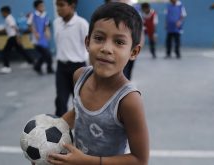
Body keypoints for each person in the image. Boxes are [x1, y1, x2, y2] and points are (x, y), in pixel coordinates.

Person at [47, 2, 149, 165]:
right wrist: (47, 135)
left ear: (134, 52)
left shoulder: (129, 101)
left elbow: (140, 159)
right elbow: (78, 112)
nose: (106, 48)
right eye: (99, 38)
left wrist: (85, 161)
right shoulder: (79, 76)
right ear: (87, 42)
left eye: (119, 42)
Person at [53, 0, 89, 117]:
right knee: (61, 100)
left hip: (78, 68)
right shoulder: (56, 23)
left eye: (61, 5)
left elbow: (90, 47)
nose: (58, 8)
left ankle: (82, 130)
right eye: (57, 5)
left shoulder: (81, 24)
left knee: (79, 101)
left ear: (72, 5)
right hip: (61, 67)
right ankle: (59, 130)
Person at [0, 6, 34, 74]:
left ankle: (6, 67)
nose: (1, 14)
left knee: (5, 51)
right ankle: (31, 62)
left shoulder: (9, 18)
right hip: (13, 37)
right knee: (21, 50)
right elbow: (7, 28)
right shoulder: (9, 18)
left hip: (13, 37)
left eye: (2, 13)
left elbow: (15, 28)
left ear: (5, 12)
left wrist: (18, 38)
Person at [28, 0, 54, 75]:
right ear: (37, 7)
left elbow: (46, 25)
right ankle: (46, 68)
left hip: (43, 38)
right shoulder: (33, 15)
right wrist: (35, 33)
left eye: (43, 5)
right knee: (47, 54)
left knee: (45, 54)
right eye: (41, 6)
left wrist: (47, 32)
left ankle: (38, 67)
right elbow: (30, 25)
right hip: (36, 39)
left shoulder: (45, 15)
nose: (43, 7)